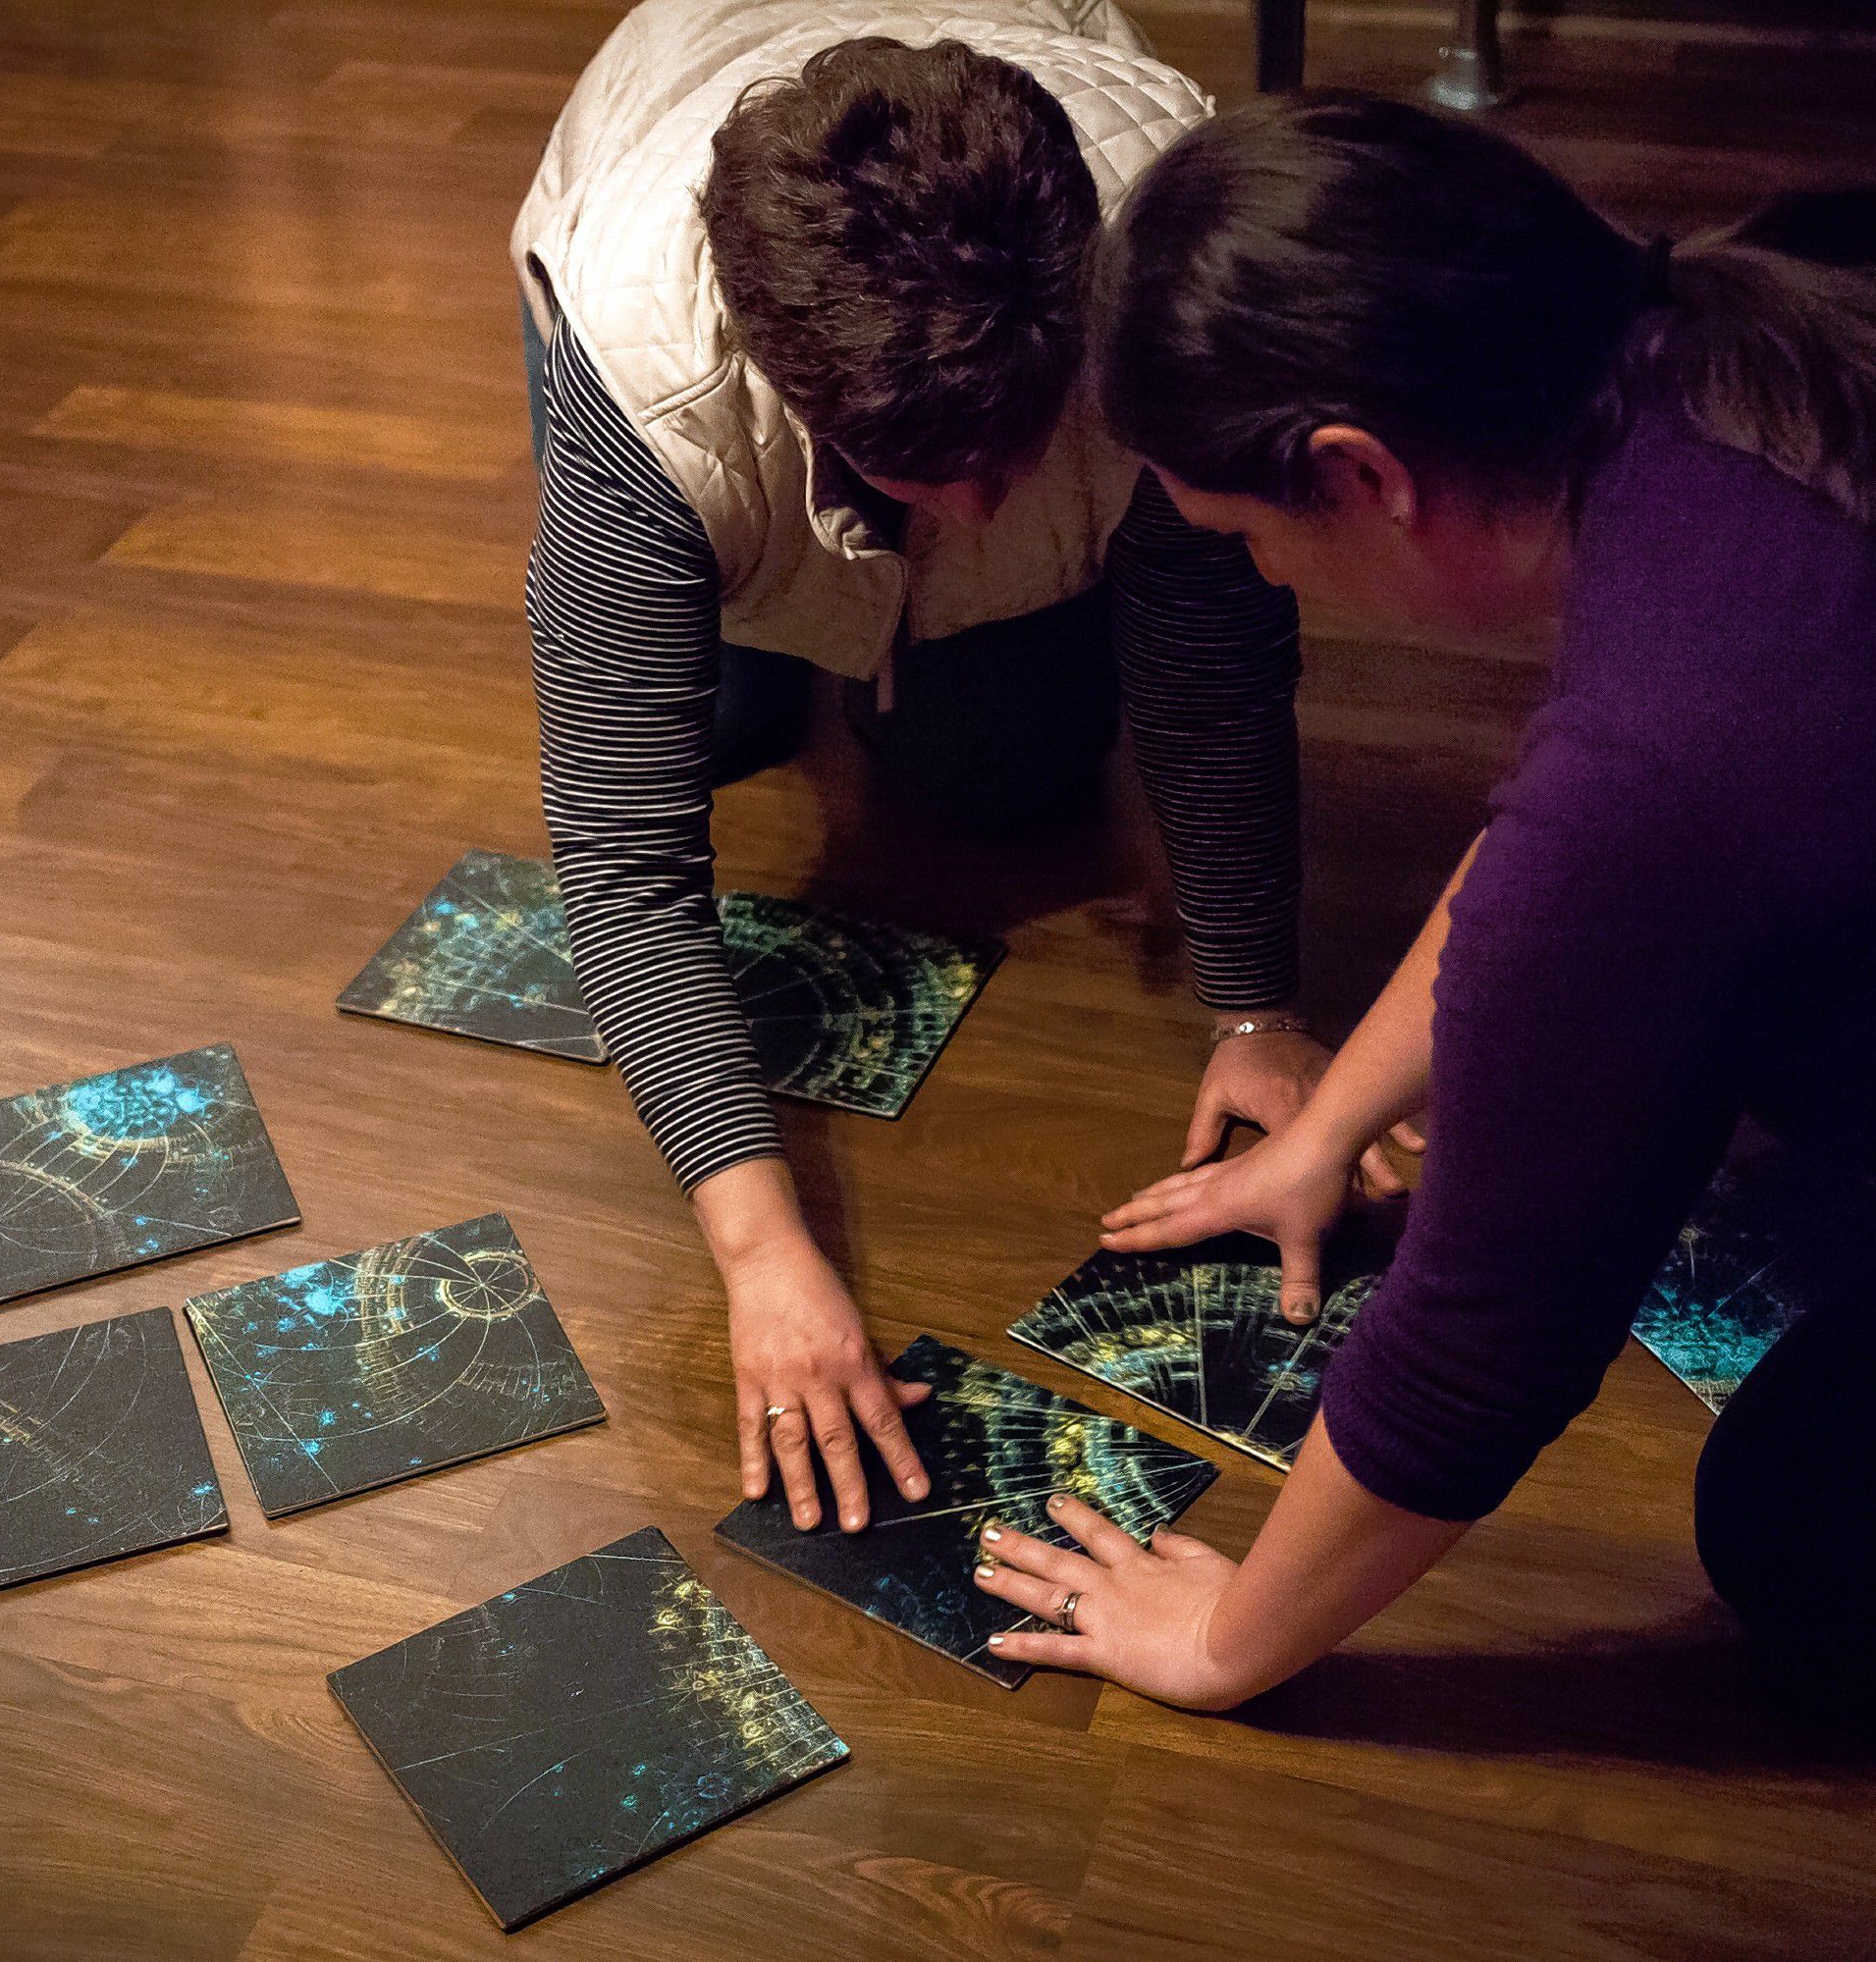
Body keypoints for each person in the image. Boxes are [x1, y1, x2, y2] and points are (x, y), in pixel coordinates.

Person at [971, 90, 1876, 1911]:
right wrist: (1338, 1126)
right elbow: (1568, 853)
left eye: (1240, 531)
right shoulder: (1802, 288)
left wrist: (1227, 1644)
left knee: (1801, 1519)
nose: (1253, 570)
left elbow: (1473, 1354)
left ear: (1358, 472)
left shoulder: (1668, 768)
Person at [512, 3, 1326, 1538]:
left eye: (1014, 451)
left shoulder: (1163, 284)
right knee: (724, 722)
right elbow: (621, 868)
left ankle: (880, 642)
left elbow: (1214, 669)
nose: (980, 499)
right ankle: (794, 630)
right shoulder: (650, 380)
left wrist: (1260, 1006)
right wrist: (764, 1255)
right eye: (924, 476)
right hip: (656, 197)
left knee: (1000, 776)